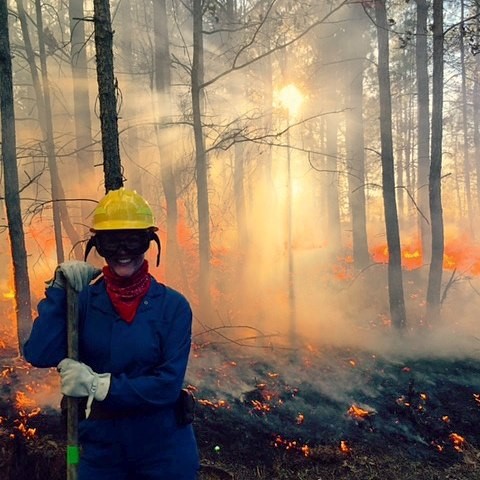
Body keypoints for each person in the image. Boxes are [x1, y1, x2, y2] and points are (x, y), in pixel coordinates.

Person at [23, 188, 200, 480]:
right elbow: (39, 353)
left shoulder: (173, 307)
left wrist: (100, 386)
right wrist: (59, 291)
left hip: (164, 448)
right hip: (98, 448)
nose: (122, 252)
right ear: (98, 246)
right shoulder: (83, 301)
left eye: (132, 241)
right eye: (111, 242)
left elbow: (168, 385)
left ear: (148, 242)